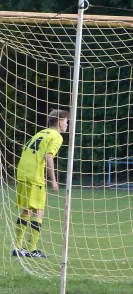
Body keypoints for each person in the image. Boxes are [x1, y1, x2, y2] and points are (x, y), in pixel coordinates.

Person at [13, 109, 69, 258]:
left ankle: (17, 247)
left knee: (26, 210)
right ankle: (31, 249)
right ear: (59, 122)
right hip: (34, 175)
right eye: (65, 121)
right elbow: (48, 156)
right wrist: (53, 180)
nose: (67, 124)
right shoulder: (56, 136)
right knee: (38, 211)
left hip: (22, 171)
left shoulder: (40, 133)